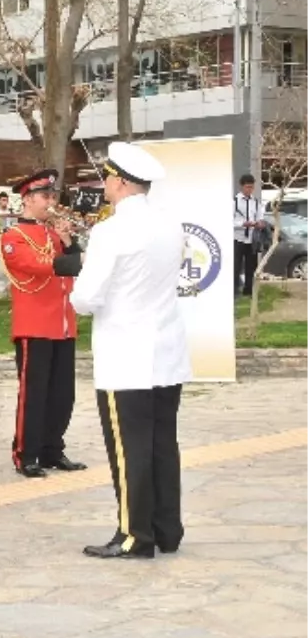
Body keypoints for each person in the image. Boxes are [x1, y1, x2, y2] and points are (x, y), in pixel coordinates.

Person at [71, 142, 191, 559]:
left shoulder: (110, 231)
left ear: (121, 182)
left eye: (107, 177)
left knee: (129, 449)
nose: (104, 184)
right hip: (166, 352)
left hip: (126, 355)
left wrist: (86, 276)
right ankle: (166, 529)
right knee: (161, 444)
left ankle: (134, 535)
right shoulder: (170, 224)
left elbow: (85, 299)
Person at [0, 169, 87, 478]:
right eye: (45, 196)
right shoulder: (13, 237)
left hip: (63, 322)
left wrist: (69, 240)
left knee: (63, 394)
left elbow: (74, 267)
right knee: (34, 394)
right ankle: (26, 454)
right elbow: (38, 266)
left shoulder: (54, 233)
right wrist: (82, 256)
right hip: (34, 325)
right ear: (27, 199)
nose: (51, 201)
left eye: (53, 196)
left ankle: (53, 449)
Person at [233, 174, 266, 297]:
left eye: (251, 187)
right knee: (236, 266)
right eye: (247, 187)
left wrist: (260, 223)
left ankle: (248, 290)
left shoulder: (256, 202)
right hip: (237, 238)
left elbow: (260, 218)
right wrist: (243, 224)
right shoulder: (234, 201)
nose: (249, 190)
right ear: (242, 186)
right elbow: (228, 221)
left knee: (250, 266)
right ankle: (234, 290)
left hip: (252, 239)